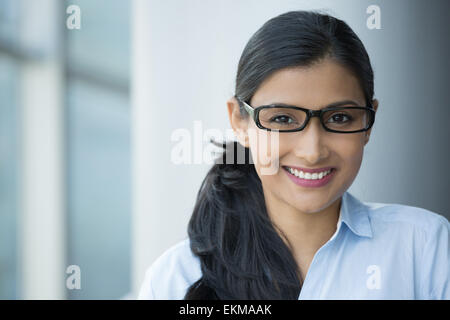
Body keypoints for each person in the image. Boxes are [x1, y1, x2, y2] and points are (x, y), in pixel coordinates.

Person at [138, 10, 449, 300]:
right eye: (282, 119)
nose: (312, 152)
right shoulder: (175, 279)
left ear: (369, 122)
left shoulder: (423, 248)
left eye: (340, 118)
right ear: (239, 121)